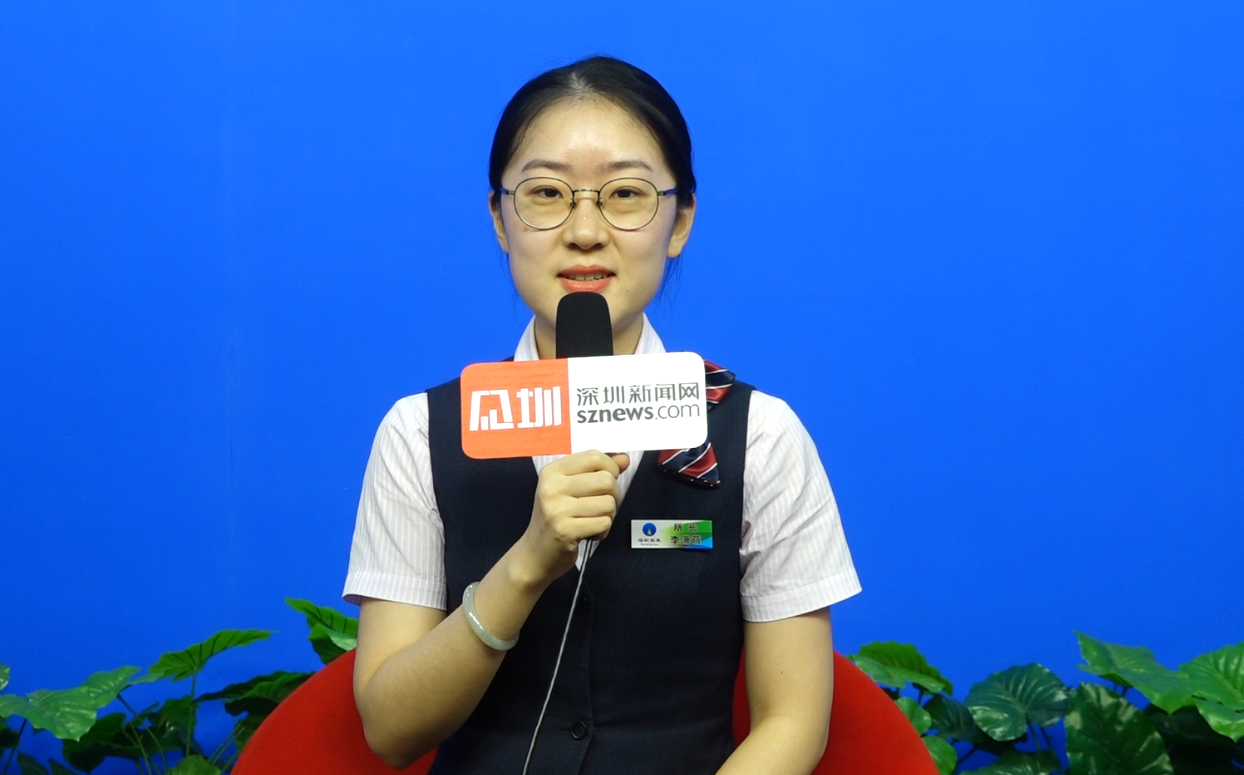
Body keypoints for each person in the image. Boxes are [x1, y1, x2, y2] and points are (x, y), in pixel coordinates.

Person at [343, 55, 860, 775]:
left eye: (625, 194)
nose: (585, 231)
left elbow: (793, 723)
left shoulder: (763, 436)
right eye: (546, 193)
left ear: (680, 221)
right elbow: (391, 730)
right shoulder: (420, 433)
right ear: (499, 219)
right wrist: (526, 565)